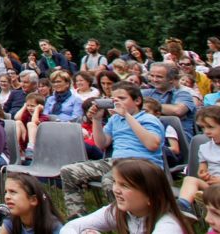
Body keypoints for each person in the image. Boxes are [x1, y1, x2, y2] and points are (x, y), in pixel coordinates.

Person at [59, 81, 165, 218]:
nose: (117, 102)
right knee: (68, 171)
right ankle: (77, 218)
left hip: (142, 164)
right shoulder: (115, 120)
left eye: (122, 98)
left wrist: (127, 116)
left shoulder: (147, 118)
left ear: (137, 100)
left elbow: (152, 144)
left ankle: (126, 221)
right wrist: (96, 120)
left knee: (111, 181)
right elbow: (101, 144)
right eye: (114, 99)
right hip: (116, 162)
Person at [60, 158, 192, 234]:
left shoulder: (168, 226)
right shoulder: (121, 212)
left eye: (125, 186)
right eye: (115, 183)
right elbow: (71, 227)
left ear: (150, 196)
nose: (116, 190)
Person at [142, 62, 197, 139]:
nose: (154, 79)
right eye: (152, 76)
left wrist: (150, 107)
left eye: (159, 77)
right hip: (149, 134)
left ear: (171, 79)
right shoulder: (145, 93)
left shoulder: (183, 94)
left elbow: (178, 111)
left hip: (178, 139)